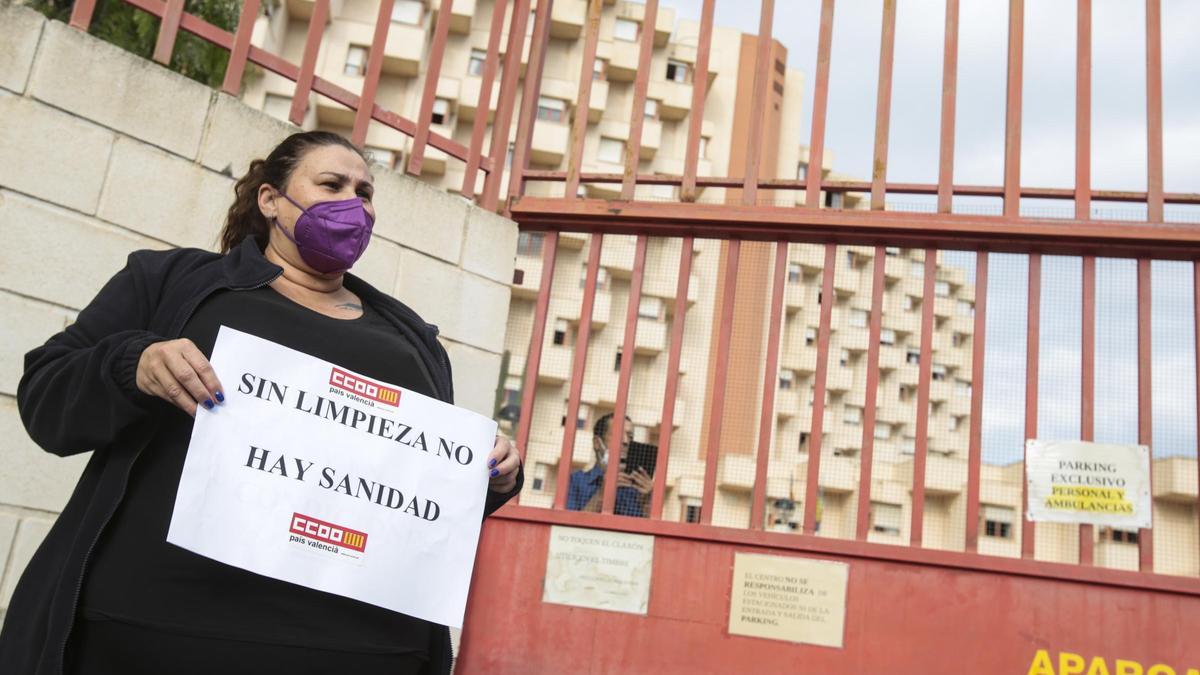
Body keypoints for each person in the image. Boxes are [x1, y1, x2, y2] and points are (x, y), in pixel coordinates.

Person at [0, 131, 522, 675]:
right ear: (270, 199)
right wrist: (133, 363)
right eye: (331, 184)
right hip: (152, 635)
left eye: (364, 192)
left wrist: (489, 475)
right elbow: (45, 397)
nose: (353, 203)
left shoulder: (414, 343)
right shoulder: (170, 283)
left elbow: (411, 506)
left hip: (358, 648)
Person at [565, 413, 653, 517]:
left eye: (630, 437)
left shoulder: (637, 490)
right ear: (597, 443)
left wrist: (648, 503)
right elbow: (564, 529)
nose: (626, 441)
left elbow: (648, 531)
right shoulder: (575, 481)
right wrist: (602, 495)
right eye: (617, 435)